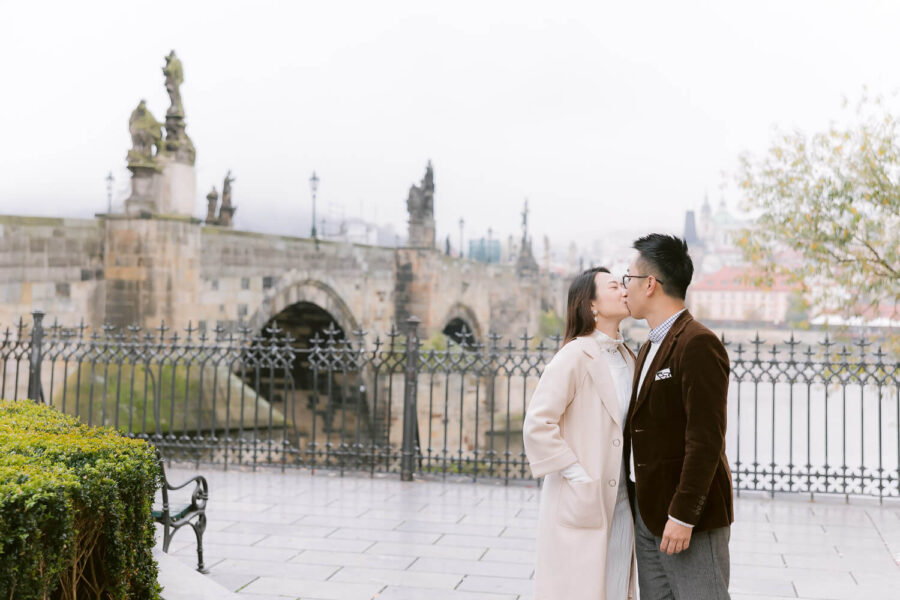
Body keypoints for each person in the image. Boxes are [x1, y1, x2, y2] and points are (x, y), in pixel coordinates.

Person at [621, 234, 733, 599]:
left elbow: (706, 440)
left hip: (687, 520)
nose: (625, 288)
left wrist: (684, 516)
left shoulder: (697, 343)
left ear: (650, 284)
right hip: (648, 512)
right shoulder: (649, 344)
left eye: (629, 279)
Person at [523, 267, 637, 600]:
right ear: (591, 306)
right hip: (583, 496)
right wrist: (576, 474)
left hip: (622, 501)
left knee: (615, 586)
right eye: (614, 286)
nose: (623, 290)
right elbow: (538, 423)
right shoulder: (574, 355)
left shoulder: (629, 357)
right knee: (580, 588)